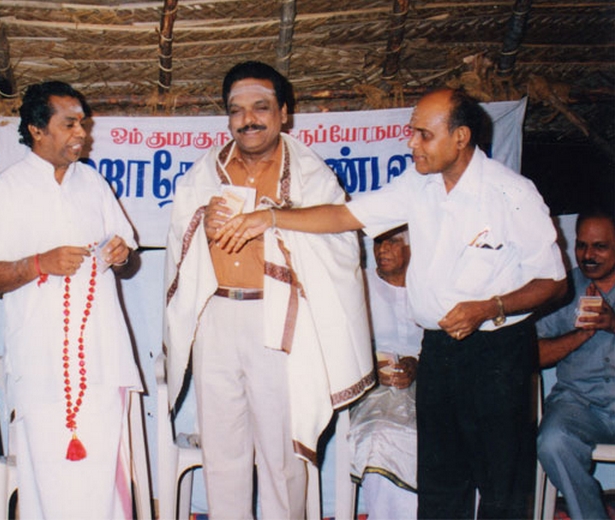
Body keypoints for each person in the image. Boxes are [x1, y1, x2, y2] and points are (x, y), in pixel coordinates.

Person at [216, 87, 568, 519]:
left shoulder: (511, 193)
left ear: (460, 137)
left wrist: (489, 307)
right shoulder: (418, 186)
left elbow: (555, 283)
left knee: (501, 486)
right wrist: (270, 218)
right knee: (439, 484)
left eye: (424, 135)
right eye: (411, 132)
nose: (411, 143)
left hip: (497, 351)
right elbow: (344, 216)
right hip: (438, 350)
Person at [164, 61, 374, 519]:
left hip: (281, 319)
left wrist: (273, 222)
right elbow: (179, 237)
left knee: (282, 458)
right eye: (236, 110)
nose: (248, 119)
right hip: (216, 316)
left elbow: (341, 243)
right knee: (222, 453)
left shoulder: (311, 175)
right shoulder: (205, 173)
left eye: (260, 107)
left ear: (283, 113)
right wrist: (202, 222)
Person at [0, 81, 142, 519]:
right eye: (69, 124)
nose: (81, 133)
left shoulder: (93, 183)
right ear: (37, 130)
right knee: (47, 476)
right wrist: (38, 263)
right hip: (41, 364)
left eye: (83, 123)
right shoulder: (3, 192)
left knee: (103, 475)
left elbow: (127, 257)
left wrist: (121, 254)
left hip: (101, 357)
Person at [536, 210, 615, 520]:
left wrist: (613, 323)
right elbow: (531, 354)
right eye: (582, 245)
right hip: (579, 404)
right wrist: (581, 335)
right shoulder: (563, 288)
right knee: (553, 442)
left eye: (600, 247)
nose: (588, 255)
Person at [348, 225, 421, 520]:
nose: (382, 250)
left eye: (392, 242)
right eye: (378, 242)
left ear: (413, 247)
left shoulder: (428, 287)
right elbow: (340, 344)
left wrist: (418, 366)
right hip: (371, 388)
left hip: (428, 385)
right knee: (380, 437)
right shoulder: (359, 284)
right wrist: (370, 369)